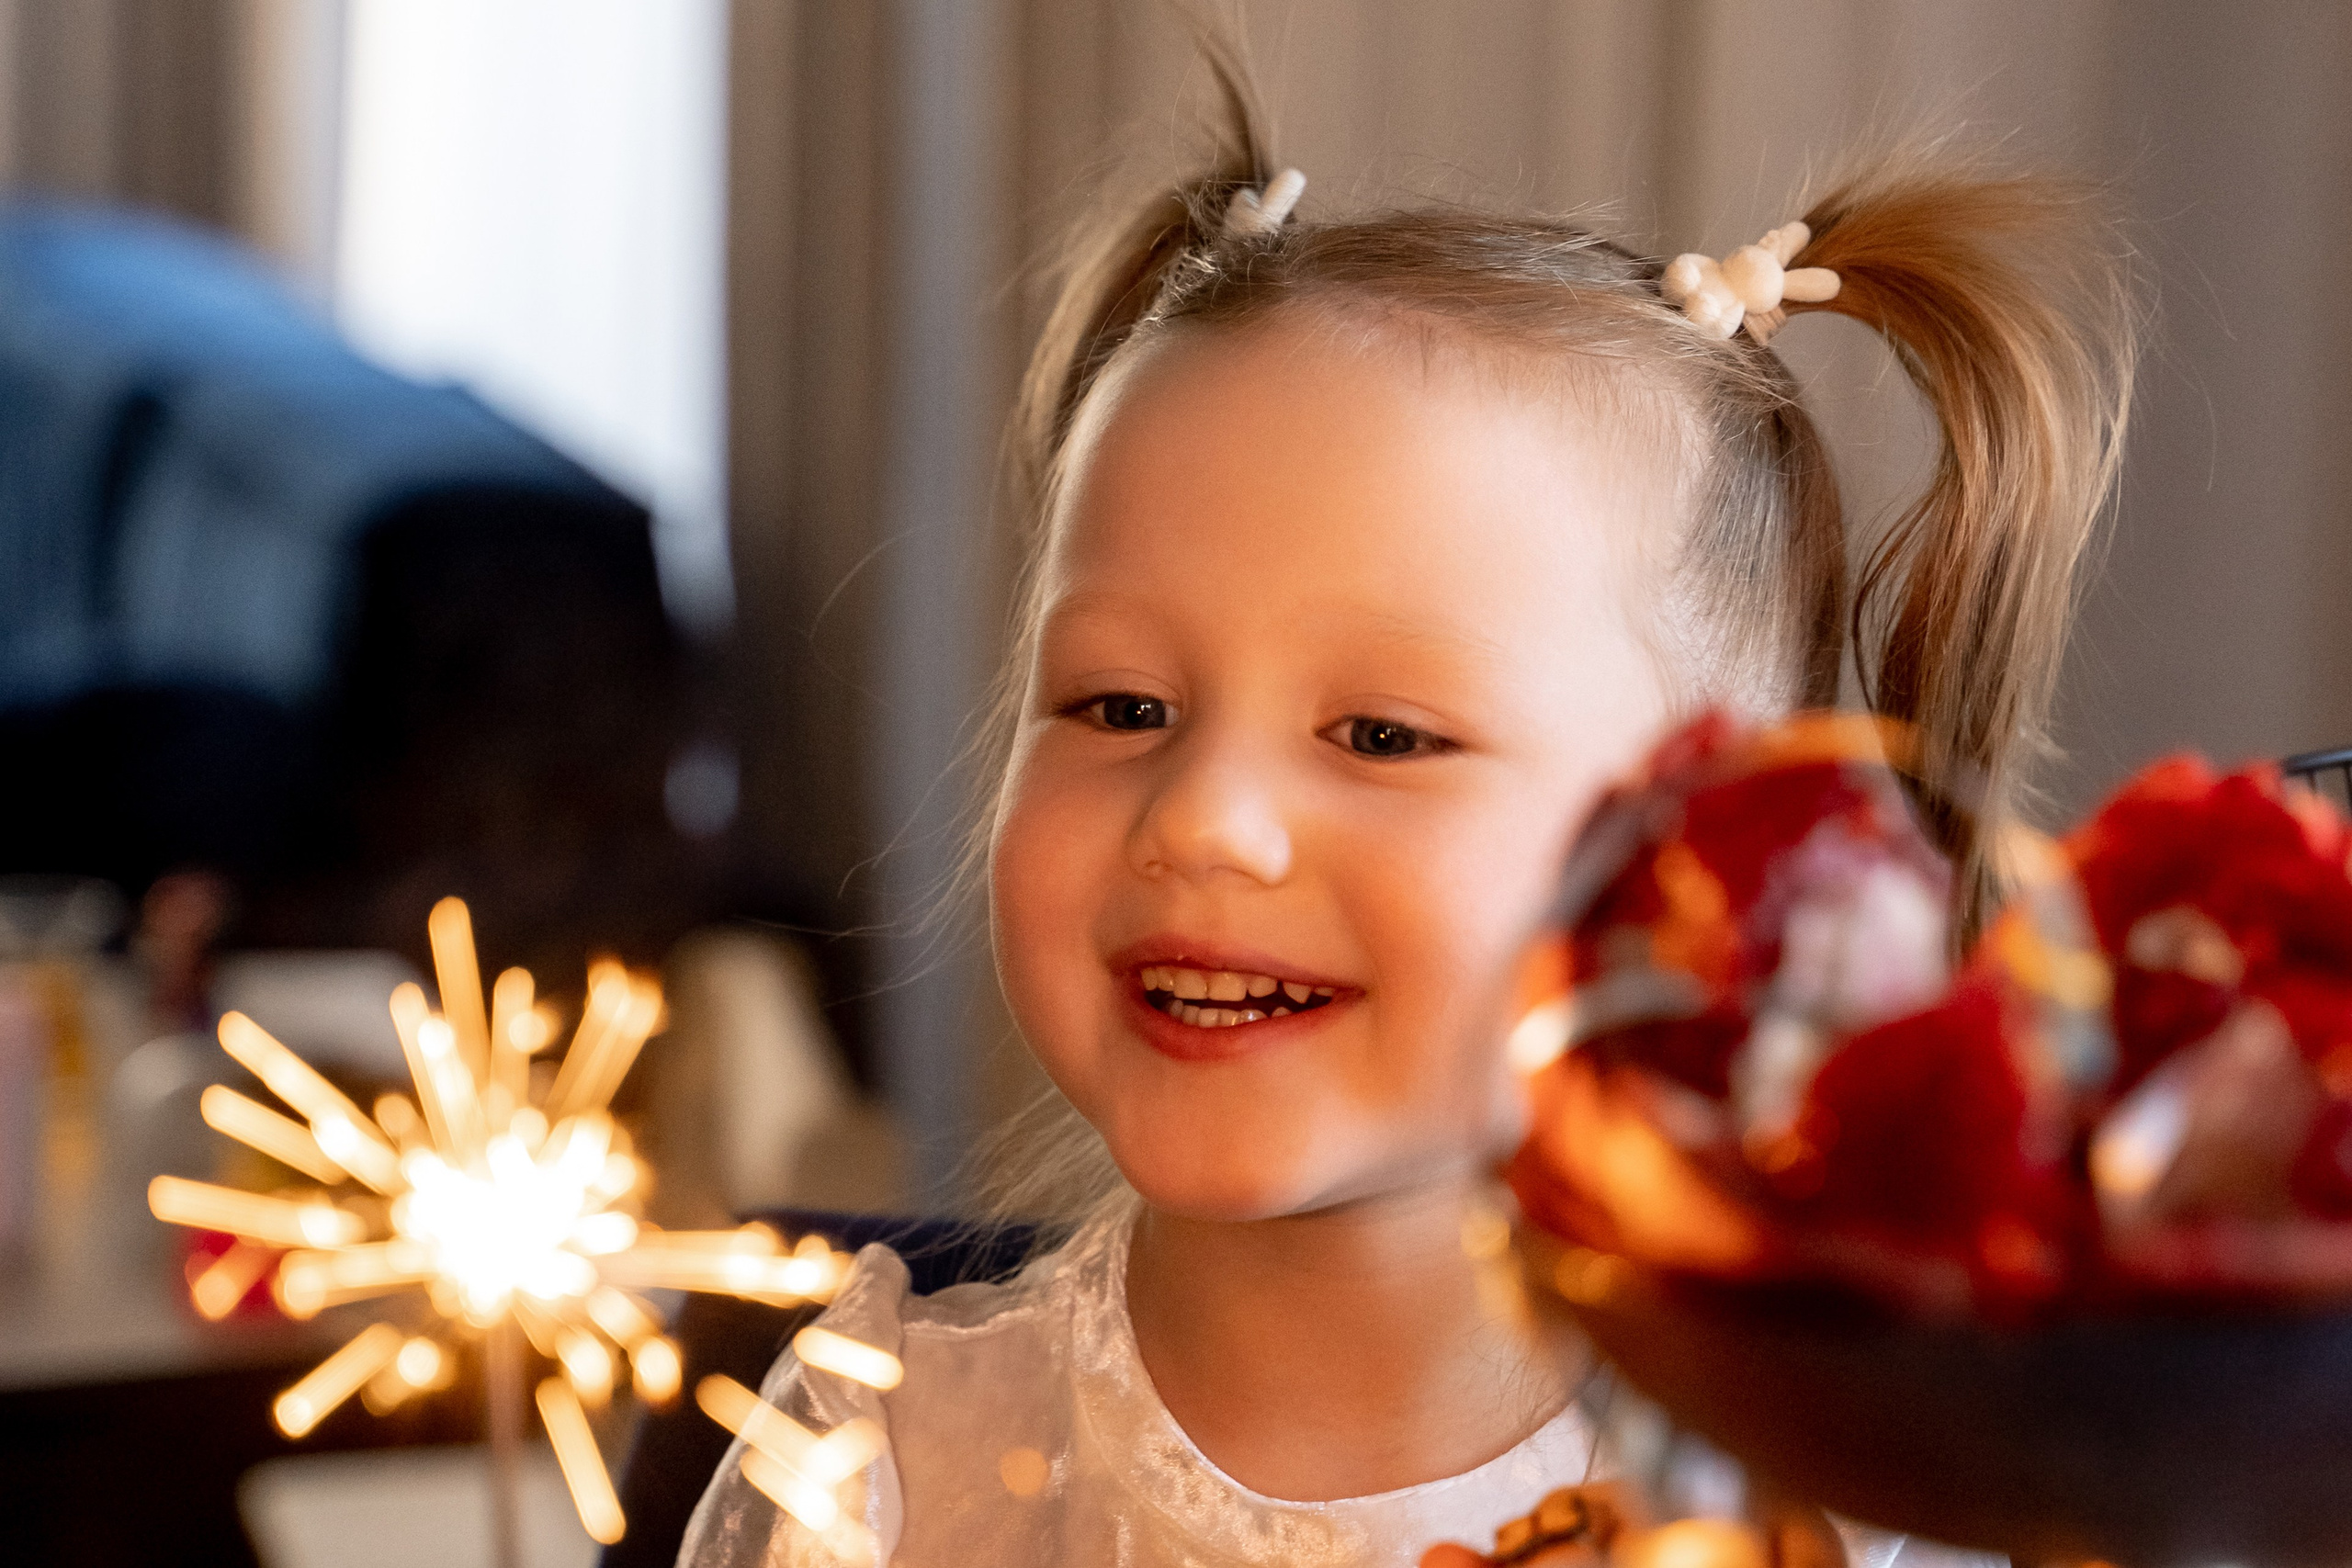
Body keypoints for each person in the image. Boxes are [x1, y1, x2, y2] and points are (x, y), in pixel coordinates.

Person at [679, 55, 2136, 1568]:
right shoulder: (883, 1451)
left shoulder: (1861, 1491)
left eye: (1382, 734)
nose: (1207, 820)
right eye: (1122, 707)